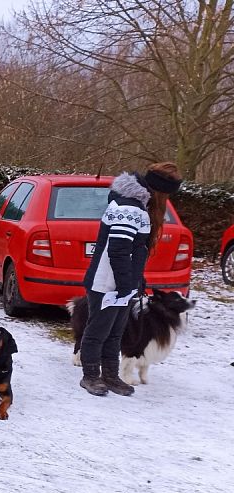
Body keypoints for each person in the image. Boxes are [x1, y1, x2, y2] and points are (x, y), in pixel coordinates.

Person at [79, 162, 183, 396]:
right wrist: (127, 284)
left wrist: (136, 281)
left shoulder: (139, 206)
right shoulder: (129, 209)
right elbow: (118, 250)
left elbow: (135, 251)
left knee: (116, 332)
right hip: (106, 283)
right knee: (98, 331)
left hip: (121, 285)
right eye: (167, 194)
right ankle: (91, 376)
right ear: (160, 190)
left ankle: (111, 375)